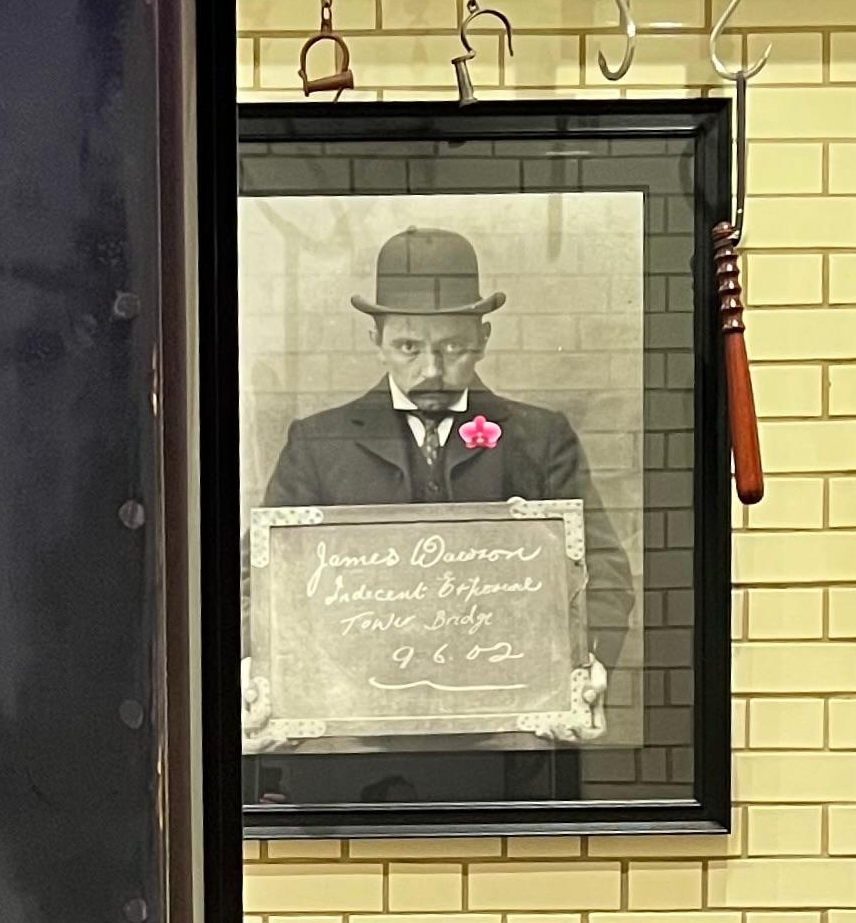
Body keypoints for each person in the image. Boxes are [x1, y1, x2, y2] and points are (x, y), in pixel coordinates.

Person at [246, 227, 632, 743]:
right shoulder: (319, 444)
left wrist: (585, 667)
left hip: (508, 739)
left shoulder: (539, 439)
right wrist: (256, 671)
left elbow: (603, 571)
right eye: (408, 346)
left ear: (483, 339)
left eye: (452, 346)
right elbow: (260, 579)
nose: (431, 370)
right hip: (352, 743)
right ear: (376, 341)